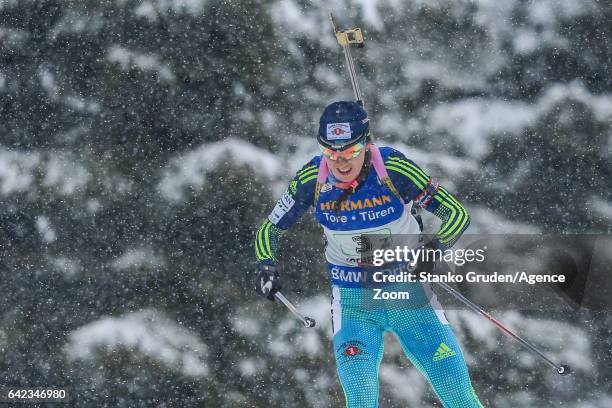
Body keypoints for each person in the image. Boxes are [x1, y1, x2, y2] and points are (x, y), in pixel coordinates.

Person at [254, 101, 484, 407]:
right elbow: (269, 230)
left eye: (349, 151)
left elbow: (455, 214)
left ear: (366, 143)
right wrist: (266, 267)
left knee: (460, 398)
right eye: (331, 153)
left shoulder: (392, 169)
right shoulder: (311, 180)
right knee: (360, 399)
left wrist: (432, 251)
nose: (340, 162)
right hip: (353, 302)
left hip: (409, 294)